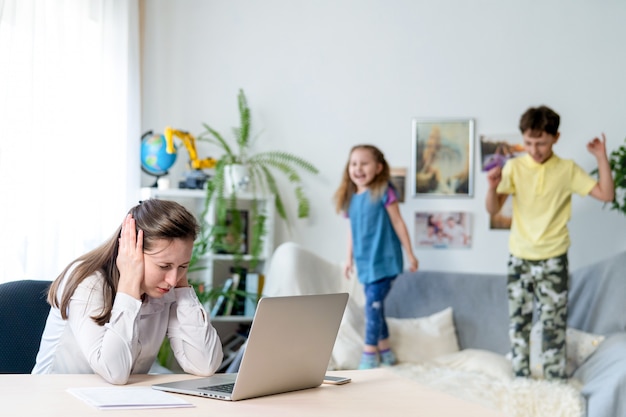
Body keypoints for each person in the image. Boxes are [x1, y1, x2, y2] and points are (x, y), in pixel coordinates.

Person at [32, 199, 223, 384]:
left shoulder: (167, 287)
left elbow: (204, 365)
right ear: (131, 252)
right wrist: (129, 283)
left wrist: (182, 286)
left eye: (183, 266)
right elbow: (114, 372)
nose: (172, 280)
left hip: (122, 401)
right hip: (58, 398)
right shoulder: (88, 281)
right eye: (164, 266)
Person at [485, 105, 614, 380]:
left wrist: (601, 158)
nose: (534, 149)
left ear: (556, 138)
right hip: (519, 256)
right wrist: (491, 187)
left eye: (541, 143)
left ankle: (554, 383)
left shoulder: (567, 170)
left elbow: (606, 195)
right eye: (529, 142)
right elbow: (493, 209)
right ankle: (521, 380)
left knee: (553, 325)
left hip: (554, 257)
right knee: (518, 324)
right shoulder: (514, 167)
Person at [334, 144, 419, 369]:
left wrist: (410, 253)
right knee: (376, 307)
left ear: (378, 167)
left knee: (372, 306)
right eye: (354, 164)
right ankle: (387, 351)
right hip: (365, 264)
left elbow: (398, 222)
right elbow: (351, 231)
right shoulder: (351, 198)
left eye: (364, 163)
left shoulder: (384, 192)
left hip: (385, 262)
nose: (358, 168)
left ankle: (369, 354)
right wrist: (348, 259)